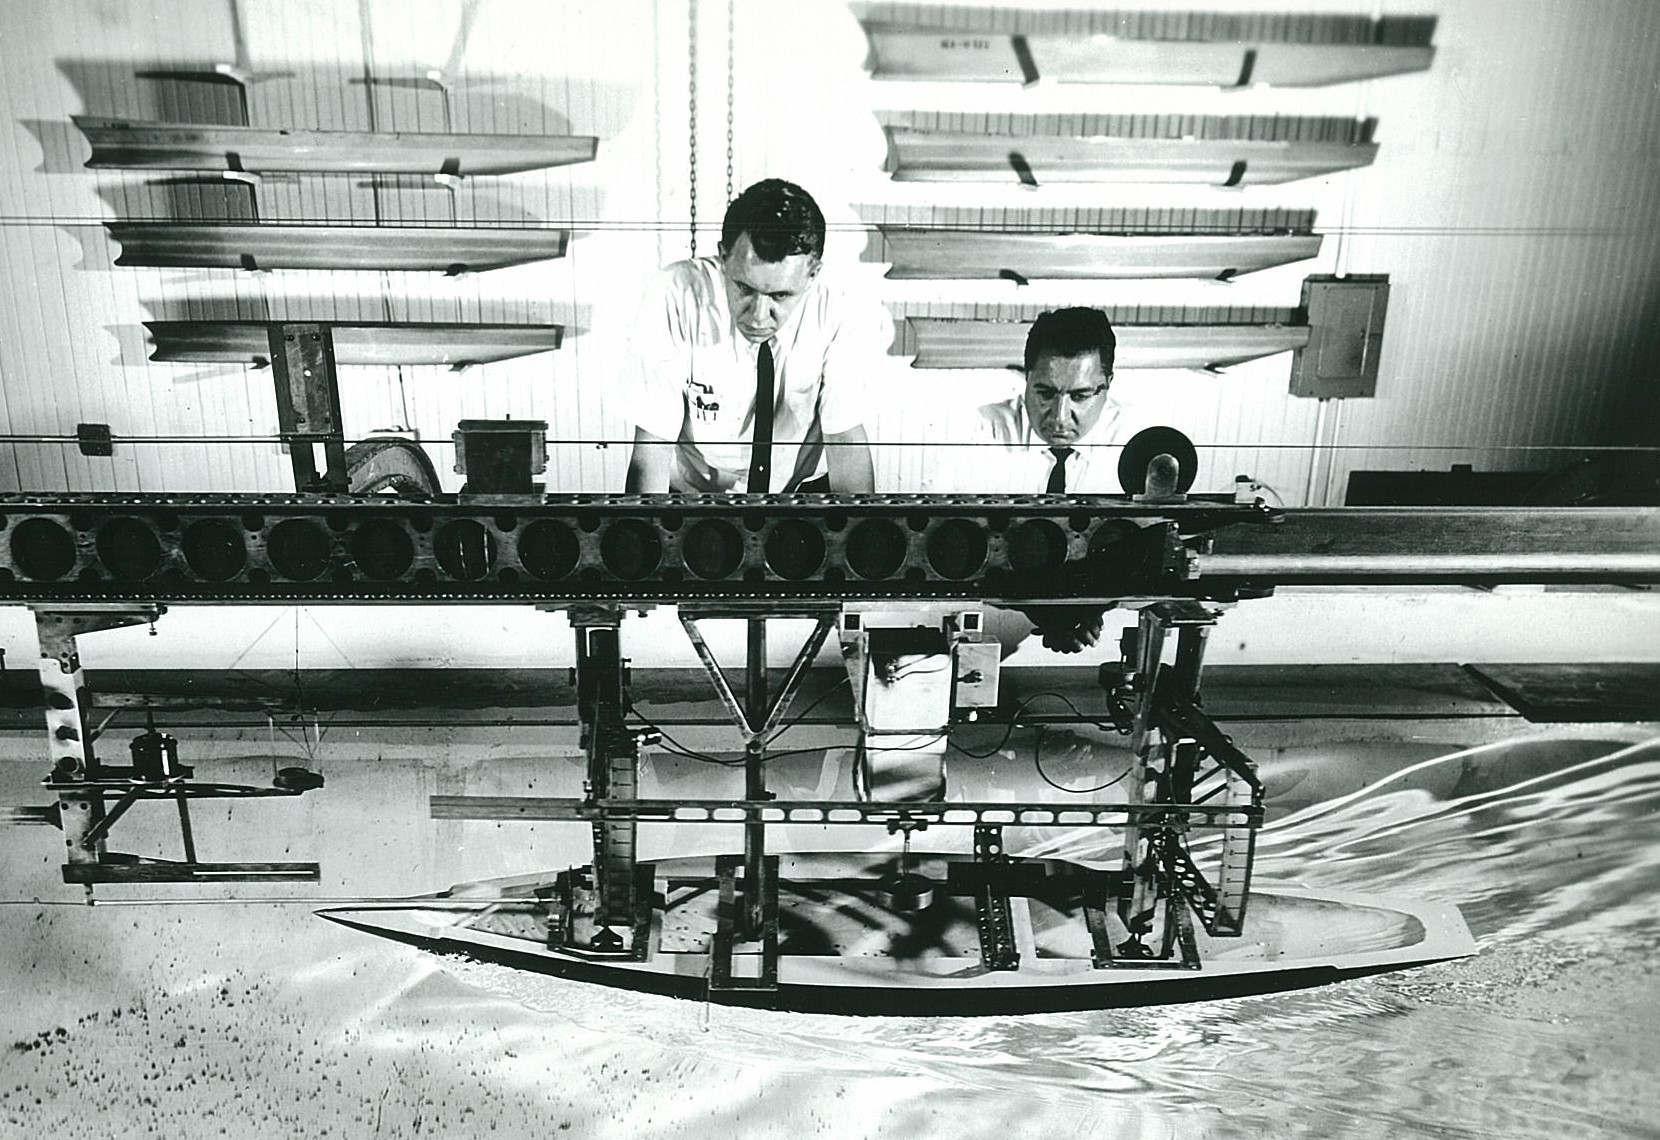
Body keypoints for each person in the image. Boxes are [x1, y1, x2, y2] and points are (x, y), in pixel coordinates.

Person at [623, 179, 886, 494]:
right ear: (723, 257)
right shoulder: (674, 294)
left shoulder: (841, 304)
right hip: (695, 490)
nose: (759, 316)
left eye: (780, 295)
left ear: (813, 274)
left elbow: (845, 440)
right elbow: (651, 448)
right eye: (744, 288)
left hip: (798, 489)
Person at [927, 307, 1127, 652]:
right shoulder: (980, 432)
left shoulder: (1139, 442)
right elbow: (947, 548)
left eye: (1080, 396)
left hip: (1100, 631)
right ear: (1026, 377)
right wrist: (1046, 613)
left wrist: (1084, 611)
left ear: (1107, 385)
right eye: (1045, 393)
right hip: (990, 622)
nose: (1059, 417)